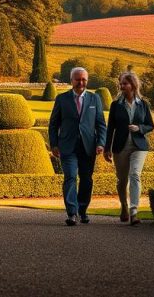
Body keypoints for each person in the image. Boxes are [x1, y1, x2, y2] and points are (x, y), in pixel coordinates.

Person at [48, 67, 107, 226]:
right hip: (67, 147)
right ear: (71, 80)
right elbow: (53, 124)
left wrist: (101, 143)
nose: (81, 82)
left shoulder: (95, 99)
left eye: (84, 80)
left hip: (88, 148)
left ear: (87, 81)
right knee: (71, 177)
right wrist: (54, 144)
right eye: (78, 79)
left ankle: (82, 210)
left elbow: (101, 124)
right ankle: (72, 213)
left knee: (87, 180)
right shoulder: (62, 99)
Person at [104, 71, 154, 226]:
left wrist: (139, 128)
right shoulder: (115, 105)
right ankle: (124, 206)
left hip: (139, 146)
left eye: (124, 83)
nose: (121, 86)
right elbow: (110, 127)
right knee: (122, 180)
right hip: (120, 146)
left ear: (133, 85)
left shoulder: (143, 104)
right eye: (121, 83)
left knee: (135, 175)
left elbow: (150, 125)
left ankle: (134, 212)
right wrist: (107, 149)